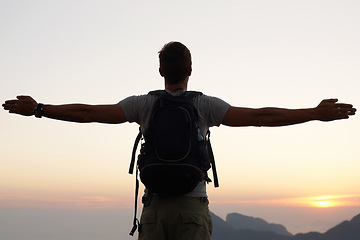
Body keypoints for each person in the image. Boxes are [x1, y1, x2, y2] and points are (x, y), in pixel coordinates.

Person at [2, 41, 356, 240]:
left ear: (161, 71)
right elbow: (262, 117)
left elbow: (90, 112)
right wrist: (313, 112)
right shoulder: (205, 105)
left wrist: (40, 109)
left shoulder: (144, 104)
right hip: (191, 210)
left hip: (154, 211)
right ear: (190, 70)